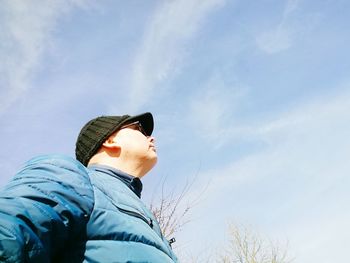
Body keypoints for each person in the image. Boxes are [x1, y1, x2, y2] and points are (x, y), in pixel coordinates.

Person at [0, 112, 178, 262]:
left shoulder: (145, 214)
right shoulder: (70, 175)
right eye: (139, 129)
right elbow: (7, 235)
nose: (151, 137)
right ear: (110, 140)